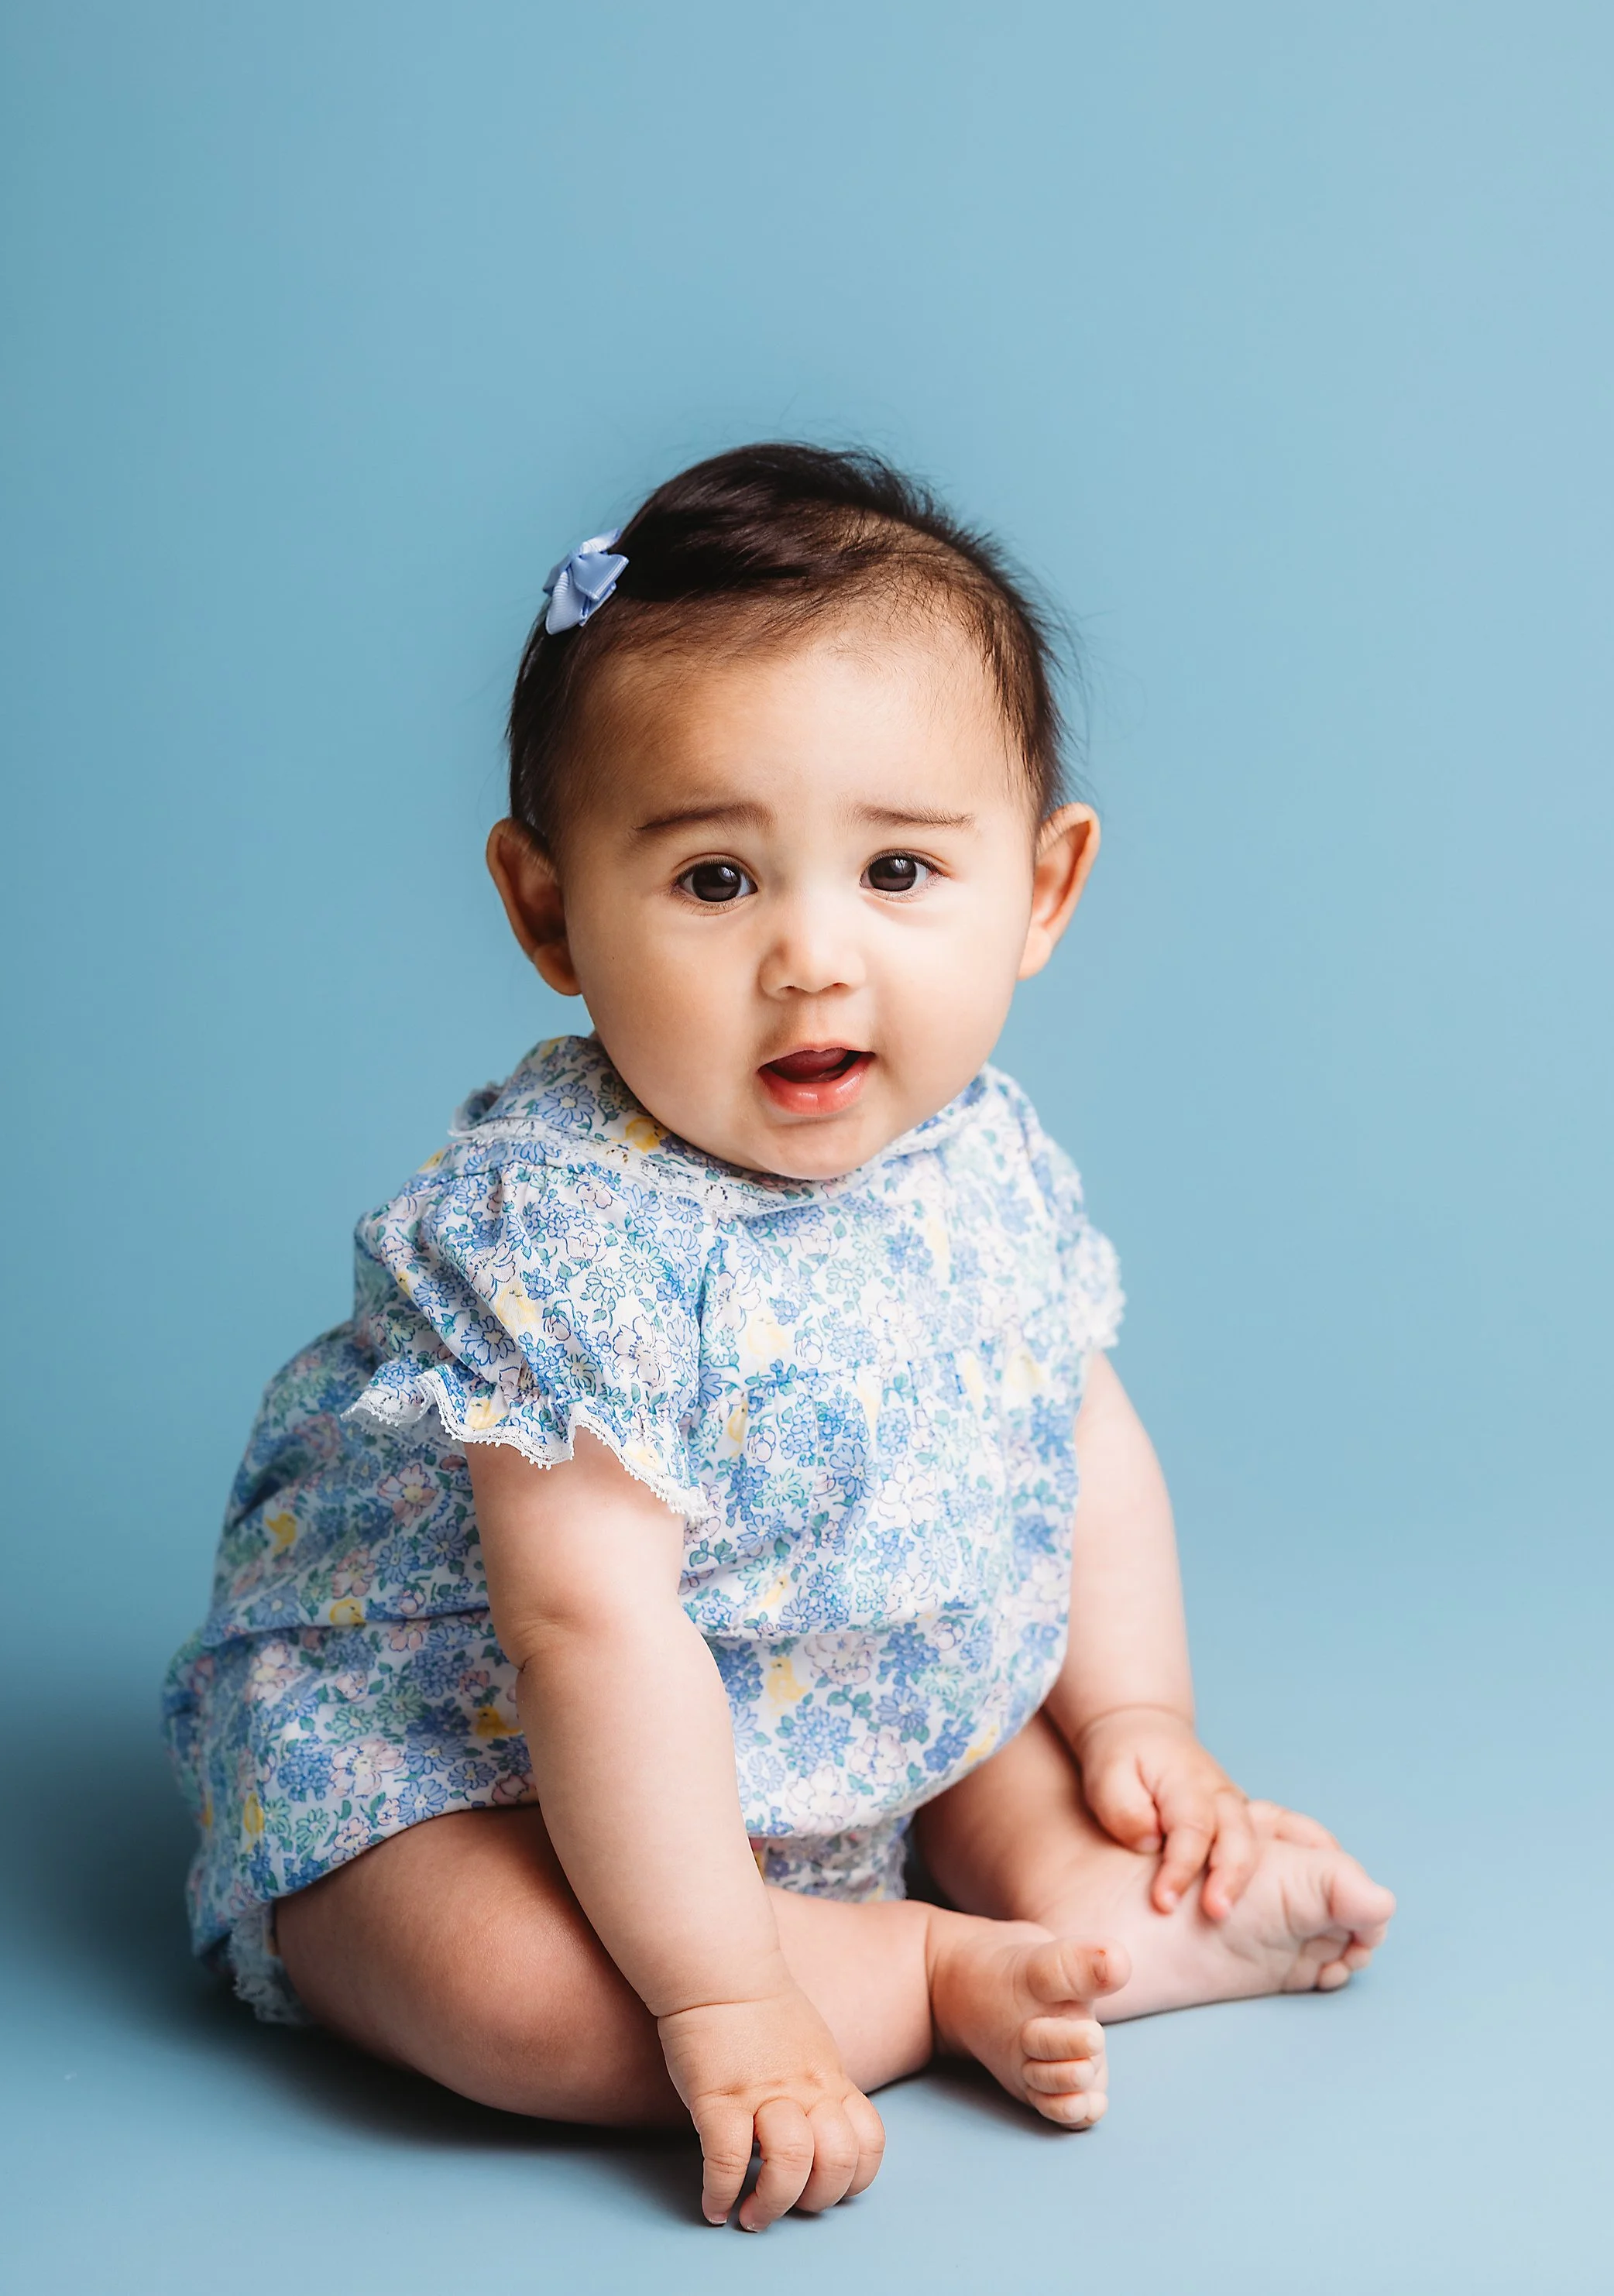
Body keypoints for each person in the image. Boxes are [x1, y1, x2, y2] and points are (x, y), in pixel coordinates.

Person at [163, 442, 1395, 2230]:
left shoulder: (975, 1156)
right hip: (478, 1739)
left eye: (898, 868)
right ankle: (915, 1966)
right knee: (513, 1995)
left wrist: (1139, 1712)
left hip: (826, 1680)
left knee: (1011, 1747)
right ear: (546, 906)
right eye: (717, 881)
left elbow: (1077, 1436)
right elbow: (584, 1629)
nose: (815, 955)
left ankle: (1082, 1889)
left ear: (1040, 889)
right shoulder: (557, 1237)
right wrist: (725, 1998)